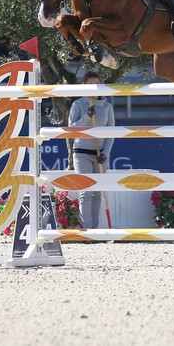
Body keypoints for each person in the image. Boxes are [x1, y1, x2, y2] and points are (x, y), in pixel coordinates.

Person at [68, 71, 115, 229]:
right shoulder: (78, 104)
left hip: (100, 154)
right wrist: (87, 116)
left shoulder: (108, 106)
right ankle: (86, 229)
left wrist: (105, 153)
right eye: (90, 84)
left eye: (96, 84)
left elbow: (112, 133)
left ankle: (95, 230)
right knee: (85, 192)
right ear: (84, 86)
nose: (94, 87)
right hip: (82, 152)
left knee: (97, 193)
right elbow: (71, 129)